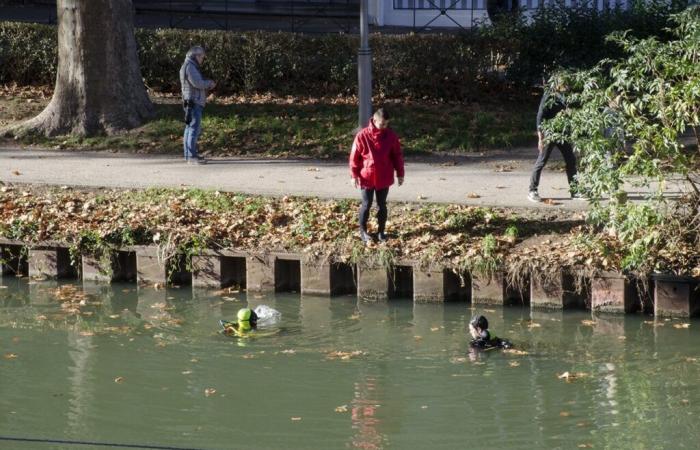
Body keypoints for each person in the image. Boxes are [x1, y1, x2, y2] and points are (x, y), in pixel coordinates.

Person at [349, 108, 405, 244]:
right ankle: (363, 232)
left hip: (384, 176)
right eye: (382, 124)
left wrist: (400, 173)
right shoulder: (362, 136)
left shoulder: (391, 136)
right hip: (366, 177)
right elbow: (354, 158)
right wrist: (353, 175)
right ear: (374, 121)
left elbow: (397, 156)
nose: (384, 127)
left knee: (382, 205)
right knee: (366, 204)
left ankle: (381, 232)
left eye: (387, 124)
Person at [527, 82, 582, 203]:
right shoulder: (549, 96)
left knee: (571, 160)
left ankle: (575, 191)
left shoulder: (566, 97)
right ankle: (532, 190)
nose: (567, 86)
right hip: (549, 133)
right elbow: (540, 116)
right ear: (557, 83)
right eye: (564, 83)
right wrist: (540, 138)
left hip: (563, 133)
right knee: (542, 161)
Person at [179, 46, 216, 165]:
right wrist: (209, 83)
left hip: (190, 101)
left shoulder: (188, 65)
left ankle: (188, 155)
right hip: (193, 101)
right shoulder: (190, 67)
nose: (202, 59)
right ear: (195, 56)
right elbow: (198, 83)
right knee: (193, 128)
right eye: (201, 57)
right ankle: (191, 157)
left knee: (189, 128)